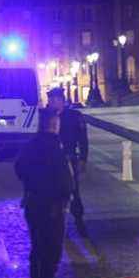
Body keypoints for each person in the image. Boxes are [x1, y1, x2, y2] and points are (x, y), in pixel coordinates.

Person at [15, 108, 75, 278]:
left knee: (37, 249)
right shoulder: (55, 147)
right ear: (53, 124)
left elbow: (19, 169)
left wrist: (34, 184)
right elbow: (64, 180)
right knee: (52, 252)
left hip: (33, 204)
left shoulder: (30, 146)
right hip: (53, 207)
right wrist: (64, 195)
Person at [46, 87, 89, 231]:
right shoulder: (45, 117)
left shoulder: (74, 116)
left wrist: (83, 158)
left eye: (55, 100)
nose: (52, 103)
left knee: (73, 190)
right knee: (53, 192)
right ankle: (56, 221)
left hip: (69, 158)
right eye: (50, 100)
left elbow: (83, 139)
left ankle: (78, 219)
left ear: (62, 101)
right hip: (51, 160)